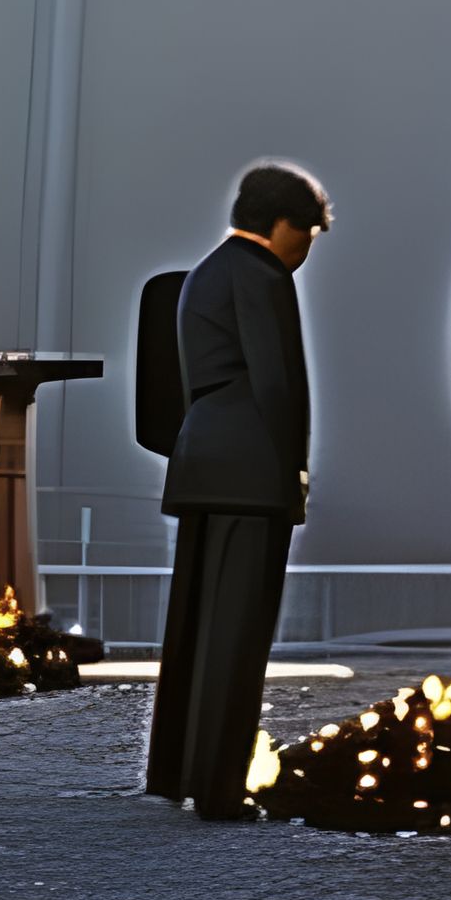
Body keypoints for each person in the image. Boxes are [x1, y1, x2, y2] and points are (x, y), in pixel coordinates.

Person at [145, 161, 331, 820]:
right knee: (238, 634)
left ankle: (173, 771)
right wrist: (294, 471)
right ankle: (220, 788)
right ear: (282, 225)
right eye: (307, 234)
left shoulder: (205, 272)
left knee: (195, 629)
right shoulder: (263, 276)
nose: (306, 249)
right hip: (253, 470)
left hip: (202, 460)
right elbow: (278, 383)